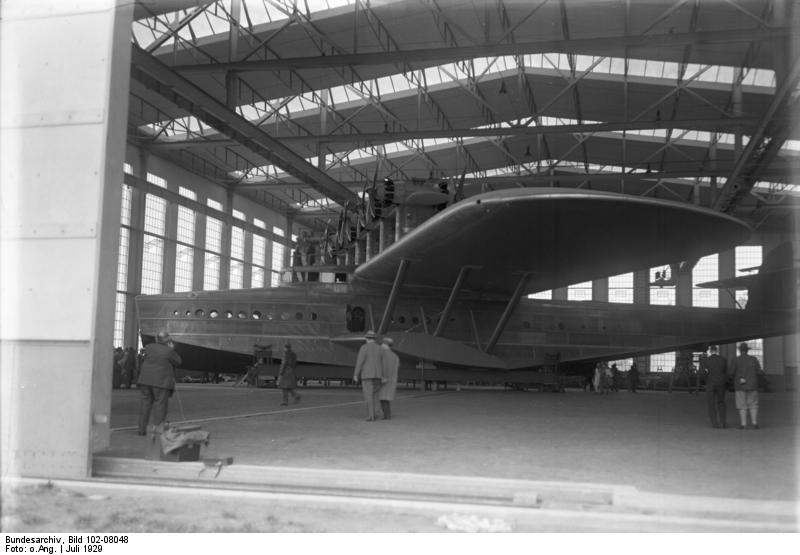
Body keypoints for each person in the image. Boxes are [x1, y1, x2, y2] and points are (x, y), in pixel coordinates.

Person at [137, 331, 182, 436]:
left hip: (145, 380)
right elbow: (178, 361)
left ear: (157, 339)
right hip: (161, 382)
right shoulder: (168, 351)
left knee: (145, 405)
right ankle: (157, 430)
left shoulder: (148, 347)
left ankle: (141, 429)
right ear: (167, 340)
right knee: (160, 405)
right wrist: (172, 350)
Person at [353, 330, 384, 421]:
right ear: (374, 339)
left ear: (366, 338)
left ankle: (371, 415)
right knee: (376, 395)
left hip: (367, 375)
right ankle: (379, 414)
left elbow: (360, 361)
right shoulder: (380, 348)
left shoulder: (364, 347)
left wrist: (356, 374)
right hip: (378, 375)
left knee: (368, 396)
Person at [732, 342, 762, 429]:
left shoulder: (736, 360)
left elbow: (731, 372)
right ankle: (754, 423)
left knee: (742, 405)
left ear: (739, 350)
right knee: (753, 404)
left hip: (740, 386)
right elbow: (759, 371)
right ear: (747, 350)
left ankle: (743, 424)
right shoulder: (754, 359)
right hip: (752, 385)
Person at [701, 345, 728, 428]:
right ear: (717, 350)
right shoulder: (723, 360)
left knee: (711, 404)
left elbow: (702, 373)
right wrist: (724, 381)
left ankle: (715, 424)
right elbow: (726, 372)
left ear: (710, 351)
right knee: (721, 402)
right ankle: (723, 422)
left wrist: (707, 380)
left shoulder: (706, 360)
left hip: (710, 383)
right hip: (721, 383)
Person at [379, 337, 399, 420]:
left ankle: (386, 416)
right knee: (386, 399)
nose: (381, 345)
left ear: (385, 344)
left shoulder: (382, 354)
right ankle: (387, 415)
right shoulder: (395, 356)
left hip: (383, 379)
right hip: (392, 380)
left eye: (382, 344)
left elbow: (380, 367)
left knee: (382, 398)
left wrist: (381, 377)